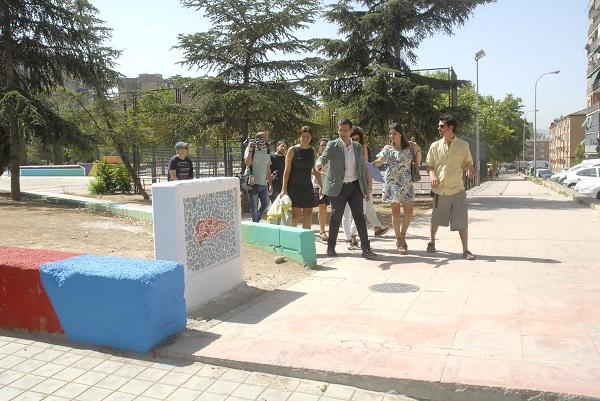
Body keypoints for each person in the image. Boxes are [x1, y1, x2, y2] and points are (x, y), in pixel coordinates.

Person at [315, 118, 378, 260]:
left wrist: (366, 189)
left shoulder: (357, 147)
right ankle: (331, 248)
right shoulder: (332, 145)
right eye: (340, 130)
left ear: (350, 130)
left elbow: (361, 168)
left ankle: (366, 249)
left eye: (345, 130)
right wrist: (319, 164)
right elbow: (323, 158)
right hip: (339, 187)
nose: (342, 133)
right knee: (336, 217)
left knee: (360, 218)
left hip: (355, 186)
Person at [425, 115, 476, 260]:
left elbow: (468, 162)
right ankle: (432, 241)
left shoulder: (463, 146)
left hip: (457, 189)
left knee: (462, 221)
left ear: (450, 128)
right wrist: (432, 176)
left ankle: (465, 250)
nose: (439, 128)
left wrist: (469, 168)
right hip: (439, 191)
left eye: (442, 126)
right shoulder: (435, 146)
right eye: (439, 126)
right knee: (435, 219)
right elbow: (429, 165)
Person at [372, 123, 420, 254]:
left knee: (409, 211)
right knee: (396, 212)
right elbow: (381, 159)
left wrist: (418, 150)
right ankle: (399, 240)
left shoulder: (409, 147)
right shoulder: (387, 148)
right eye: (390, 133)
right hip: (392, 183)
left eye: (394, 133)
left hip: (406, 182)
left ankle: (403, 235)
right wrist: (373, 164)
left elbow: (418, 162)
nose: (391, 136)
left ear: (401, 134)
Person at [342, 126, 389, 250]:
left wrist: (369, 184)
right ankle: (349, 238)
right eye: (353, 138)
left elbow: (366, 166)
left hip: (360, 184)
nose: (355, 140)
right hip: (346, 183)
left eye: (358, 138)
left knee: (361, 212)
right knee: (347, 213)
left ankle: (353, 234)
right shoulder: (343, 147)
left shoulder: (363, 148)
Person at [281, 126, 321, 229]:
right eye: (303, 136)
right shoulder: (292, 150)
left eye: (308, 136)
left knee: (308, 214)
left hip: (307, 186)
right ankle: (292, 239)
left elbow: (315, 170)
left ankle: (305, 239)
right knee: (296, 214)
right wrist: (283, 188)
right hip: (294, 186)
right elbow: (287, 171)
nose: (305, 138)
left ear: (311, 138)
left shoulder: (312, 151)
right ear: (299, 137)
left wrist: (322, 186)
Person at [244, 132, 273, 222]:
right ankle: (256, 223)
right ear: (257, 139)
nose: (264, 140)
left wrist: (270, 184)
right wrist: (250, 150)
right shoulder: (250, 148)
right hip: (252, 183)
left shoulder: (267, 150)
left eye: (265, 138)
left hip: (263, 183)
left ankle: (257, 218)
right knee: (254, 207)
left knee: (266, 204)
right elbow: (247, 163)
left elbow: (268, 169)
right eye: (262, 138)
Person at [314, 138, 330, 241]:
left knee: (328, 209)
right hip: (318, 186)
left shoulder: (333, 158)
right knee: (321, 207)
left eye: (325, 145)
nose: (323, 146)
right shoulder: (317, 158)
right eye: (322, 145)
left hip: (331, 186)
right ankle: (321, 231)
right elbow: (312, 170)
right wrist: (320, 173)